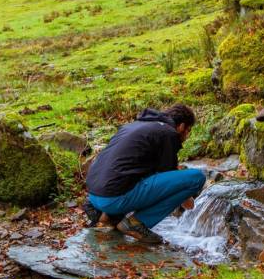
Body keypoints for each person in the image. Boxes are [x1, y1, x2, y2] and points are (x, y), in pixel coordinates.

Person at [83, 104, 206, 244]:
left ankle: (107, 217)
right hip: (113, 199)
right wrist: (185, 197)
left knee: (135, 177)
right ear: (182, 126)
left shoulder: (134, 126)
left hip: (94, 196)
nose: (187, 136)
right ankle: (137, 223)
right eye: (188, 131)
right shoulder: (168, 133)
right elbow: (168, 174)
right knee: (197, 178)